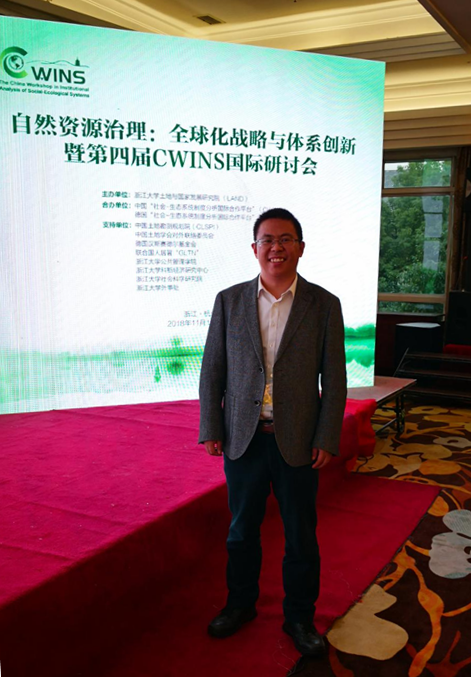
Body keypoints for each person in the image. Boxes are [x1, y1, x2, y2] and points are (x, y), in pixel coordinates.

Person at [198, 207, 347, 656]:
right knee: (241, 530)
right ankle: (240, 605)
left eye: (285, 239)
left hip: (298, 440)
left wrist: (326, 436)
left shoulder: (324, 304)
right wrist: (211, 425)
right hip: (242, 438)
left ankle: (299, 617)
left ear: (300, 247)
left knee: (300, 535)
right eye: (267, 240)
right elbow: (212, 369)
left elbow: (334, 379)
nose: (275, 248)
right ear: (254, 248)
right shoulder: (229, 300)